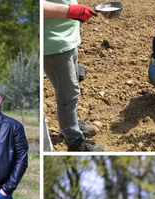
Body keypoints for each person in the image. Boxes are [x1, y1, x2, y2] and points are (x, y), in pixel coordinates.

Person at [44, 0, 106, 151]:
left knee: (70, 91)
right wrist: (70, 10)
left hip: (67, 40)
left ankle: (72, 125)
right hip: (54, 45)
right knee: (68, 95)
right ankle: (74, 142)